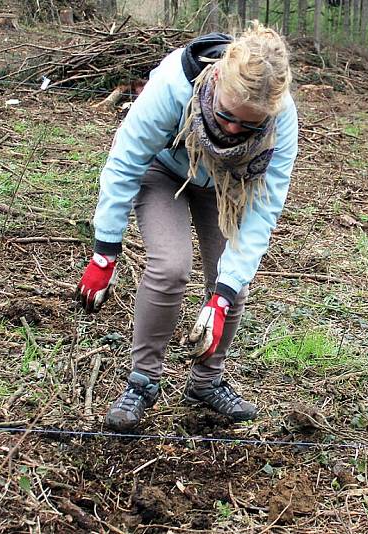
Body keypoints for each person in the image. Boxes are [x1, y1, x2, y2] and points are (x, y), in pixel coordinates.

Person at [74, 22, 298, 431]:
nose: (232, 130)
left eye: (248, 126)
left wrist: (224, 295)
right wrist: (105, 251)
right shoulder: (177, 82)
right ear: (218, 80)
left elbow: (265, 208)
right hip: (164, 172)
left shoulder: (281, 120)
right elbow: (126, 161)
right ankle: (142, 382)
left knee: (230, 283)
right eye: (227, 116)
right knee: (170, 267)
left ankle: (206, 383)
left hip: (226, 188)